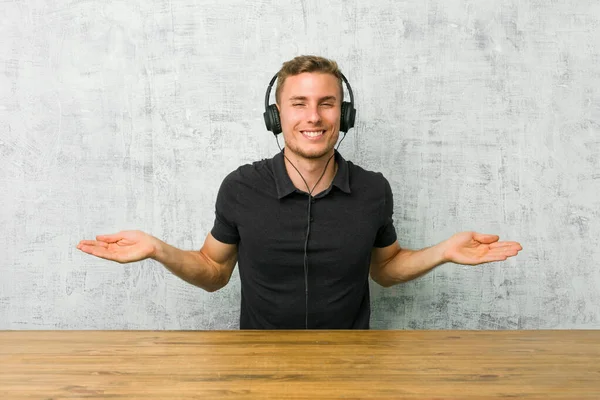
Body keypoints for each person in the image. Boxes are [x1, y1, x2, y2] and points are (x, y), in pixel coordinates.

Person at [77, 55, 522, 329]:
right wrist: (157, 249)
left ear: (343, 114)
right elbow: (213, 271)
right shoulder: (241, 187)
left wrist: (443, 251)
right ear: (277, 116)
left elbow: (385, 269)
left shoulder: (372, 189)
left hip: (353, 365)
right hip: (258, 366)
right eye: (299, 104)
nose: (314, 116)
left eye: (326, 103)